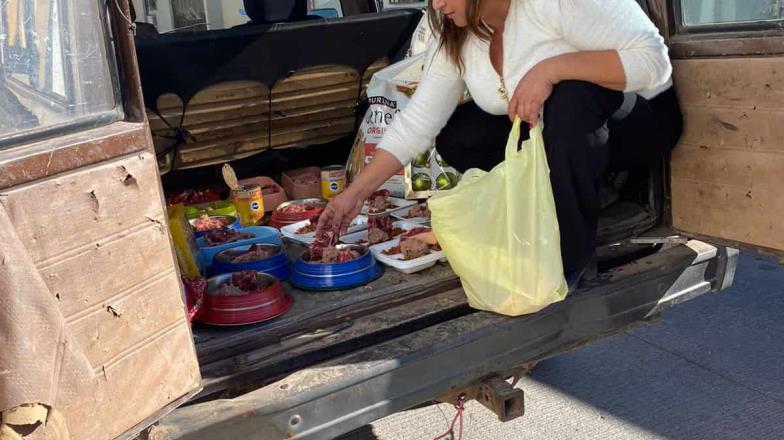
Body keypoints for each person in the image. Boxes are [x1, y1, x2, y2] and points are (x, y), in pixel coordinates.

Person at [318, 0, 682, 289]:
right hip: (561, 133)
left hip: (638, 123)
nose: (435, 5)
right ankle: (545, 206)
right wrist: (355, 194)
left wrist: (549, 70)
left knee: (572, 98)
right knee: (460, 135)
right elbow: (418, 123)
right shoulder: (459, 33)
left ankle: (568, 262)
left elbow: (654, 63)